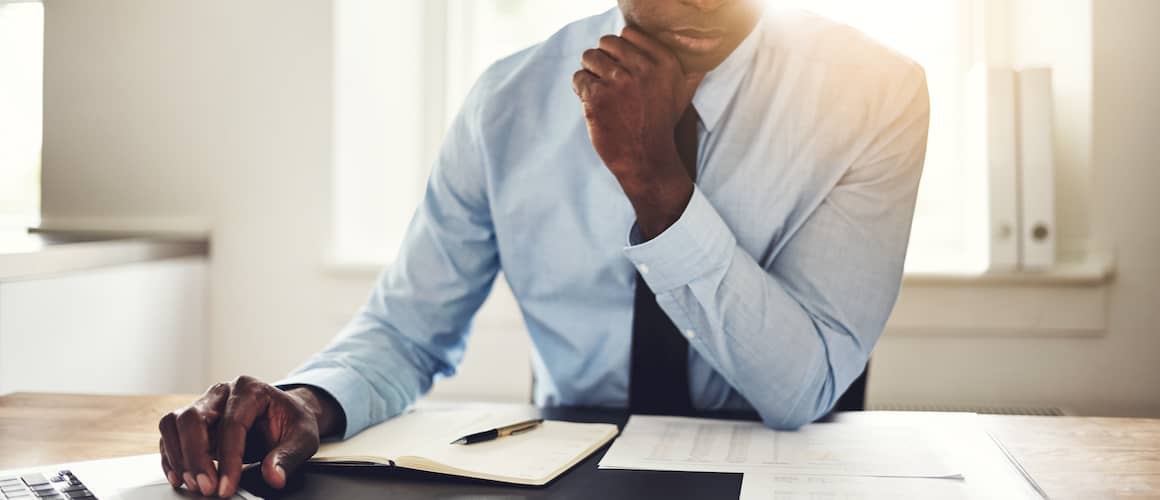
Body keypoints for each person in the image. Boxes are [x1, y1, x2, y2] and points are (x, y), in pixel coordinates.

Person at [158, 0, 930, 497]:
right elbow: (405, 332)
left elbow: (802, 392)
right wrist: (313, 401)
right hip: (562, 477)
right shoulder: (509, 102)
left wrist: (654, 181)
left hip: (784, 474)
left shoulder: (875, 96)